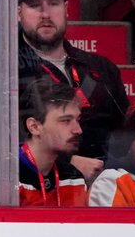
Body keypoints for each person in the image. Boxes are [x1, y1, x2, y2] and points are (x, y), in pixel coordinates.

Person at [10, 0, 127, 182]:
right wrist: (69, 163)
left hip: (110, 178)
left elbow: (125, 133)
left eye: (53, 3)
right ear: (19, 13)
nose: (45, 14)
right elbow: (0, 139)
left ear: (66, 10)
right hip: (43, 183)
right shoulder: (1, 69)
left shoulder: (102, 68)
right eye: (35, 5)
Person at [18, 78, 88, 207]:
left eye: (78, 120)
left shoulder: (73, 177)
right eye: (66, 121)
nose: (78, 130)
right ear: (34, 127)